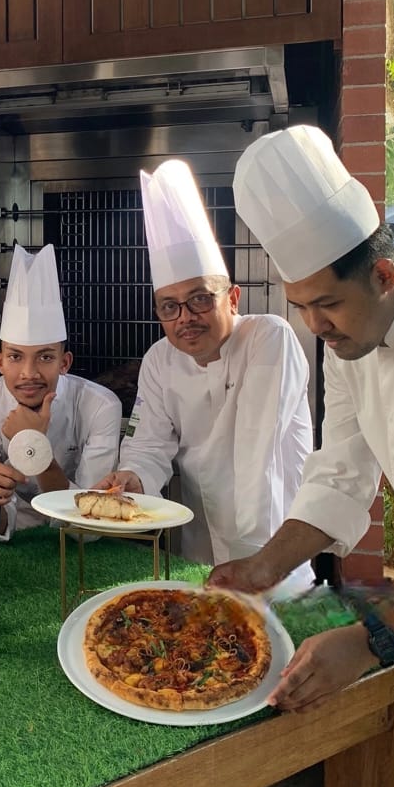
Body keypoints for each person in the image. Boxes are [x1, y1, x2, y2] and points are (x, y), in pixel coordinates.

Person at [207, 124, 394, 711]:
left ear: (383, 276)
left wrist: (372, 640)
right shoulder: (347, 347)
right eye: (301, 307)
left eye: (327, 304)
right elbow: (340, 473)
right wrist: (264, 567)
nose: (314, 326)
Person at [96, 159, 313, 574]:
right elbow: (149, 445)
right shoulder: (160, 359)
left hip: (274, 552)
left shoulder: (269, 337)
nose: (185, 318)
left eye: (199, 299)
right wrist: (131, 479)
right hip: (195, 553)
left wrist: (253, 563)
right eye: (169, 306)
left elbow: (257, 457)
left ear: (232, 299)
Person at [0, 243, 122, 540]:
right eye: (15, 356)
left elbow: (89, 527)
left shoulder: (100, 406)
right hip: (18, 541)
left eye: (45, 357)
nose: (29, 373)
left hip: (83, 545)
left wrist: (35, 446)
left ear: (65, 362)